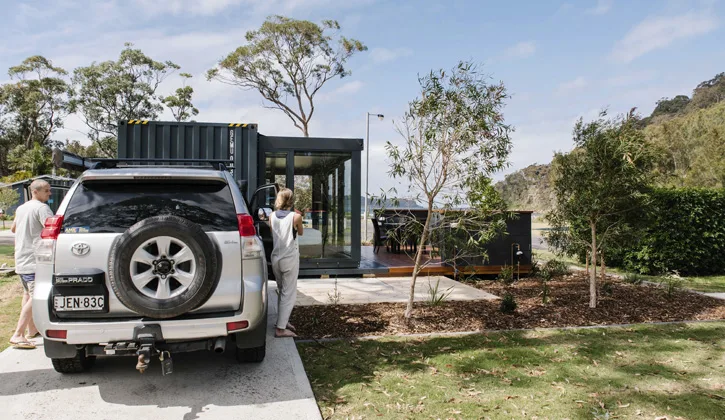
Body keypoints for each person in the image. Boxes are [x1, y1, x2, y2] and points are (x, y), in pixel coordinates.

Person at [9, 179, 53, 349]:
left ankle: (31, 329)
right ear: (36, 191)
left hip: (21, 257)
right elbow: (52, 229)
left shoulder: (21, 208)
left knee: (27, 294)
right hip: (35, 260)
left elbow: (13, 229)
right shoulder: (42, 209)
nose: (49, 194)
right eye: (46, 191)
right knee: (36, 296)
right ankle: (18, 334)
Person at [269, 188, 303, 338]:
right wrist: (298, 216)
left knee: (281, 290)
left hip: (276, 257)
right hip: (289, 258)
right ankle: (281, 329)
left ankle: (282, 321)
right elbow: (300, 232)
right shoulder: (296, 217)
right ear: (291, 200)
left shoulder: (271, 216)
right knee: (288, 293)